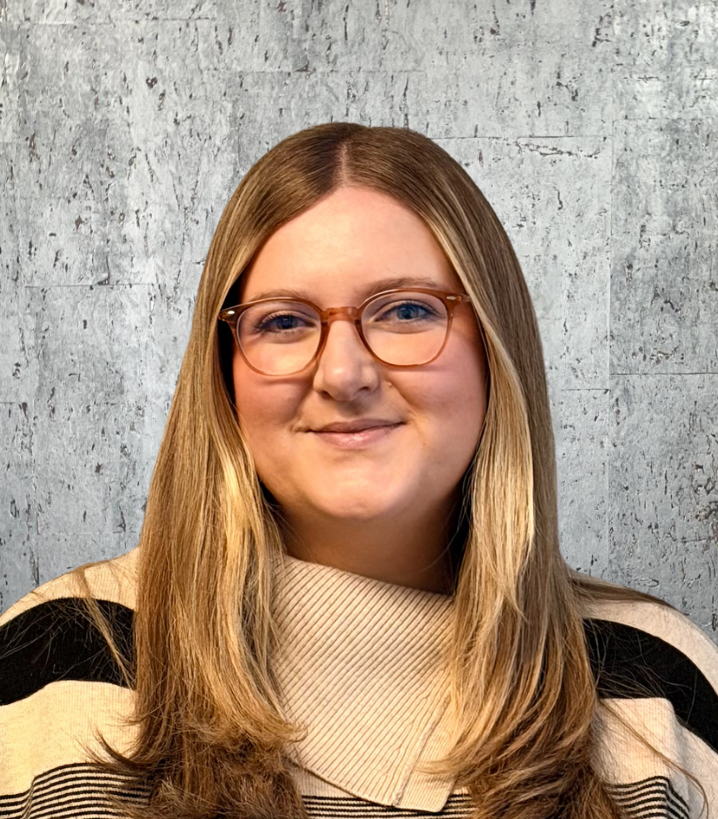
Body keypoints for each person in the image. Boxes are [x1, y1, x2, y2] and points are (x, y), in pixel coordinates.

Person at [1, 122, 717, 819]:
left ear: (497, 351)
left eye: (406, 310)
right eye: (283, 322)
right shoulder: (58, 660)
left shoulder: (657, 683)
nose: (344, 373)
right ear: (222, 373)